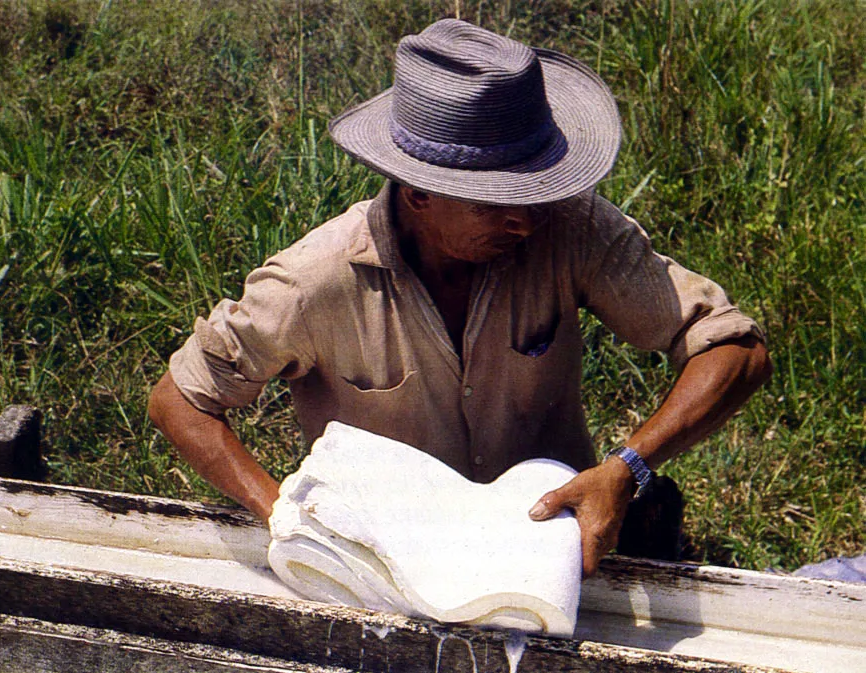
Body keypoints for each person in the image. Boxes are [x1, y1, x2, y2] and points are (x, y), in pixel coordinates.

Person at [148, 19, 770, 576]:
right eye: (498, 204)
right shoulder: (316, 281)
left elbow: (735, 349)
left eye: (538, 193)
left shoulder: (568, 229)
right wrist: (281, 511)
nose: (526, 222)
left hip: (550, 548)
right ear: (419, 194)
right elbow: (180, 398)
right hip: (389, 563)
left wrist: (627, 468)